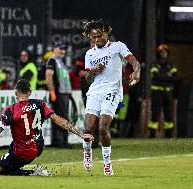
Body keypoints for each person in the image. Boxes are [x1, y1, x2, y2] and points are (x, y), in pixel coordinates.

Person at [0, 79, 93, 176]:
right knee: (12, 151)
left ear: (16, 93)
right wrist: (81, 135)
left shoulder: (10, 110)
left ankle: (33, 173)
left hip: (23, 151)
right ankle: (24, 168)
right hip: (38, 146)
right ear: (30, 92)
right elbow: (60, 121)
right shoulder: (40, 104)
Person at [81, 20, 141, 175]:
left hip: (112, 90)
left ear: (107, 34)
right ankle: (87, 153)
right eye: (94, 37)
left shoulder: (117, 46)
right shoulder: (90, 53)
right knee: (88, 128)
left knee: (102, 127)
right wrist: (93, 70)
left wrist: (136, 71)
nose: (96, 40)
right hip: (95, 91)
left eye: (99, 36)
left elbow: (134, 62)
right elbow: (87, 78)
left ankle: (107, 162)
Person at [45, 41, 72, 148]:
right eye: (60, 48)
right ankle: (59, 142)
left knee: (64, 117)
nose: (63, 51)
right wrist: (52, 92)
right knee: (60, 118)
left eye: (64, 49)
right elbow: (48, 76)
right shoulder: (52, 60)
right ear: (55, 48)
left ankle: (63, 141)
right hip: (58, 94)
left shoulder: (59, 61)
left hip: (64, 93)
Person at [149, 44, 178, 138]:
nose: (163, 53)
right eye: (161, 52)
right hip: (157, 92)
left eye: (165, 52)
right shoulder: (154, 64)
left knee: (169, 114)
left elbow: (175, 78)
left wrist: (163, 76)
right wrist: (168, 76)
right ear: (159, 53)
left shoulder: (171, 65)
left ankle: (169, 136)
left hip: (168, 93)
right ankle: (152, 136)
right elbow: (156, 76)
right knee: (155, 113)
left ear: (167, 53)